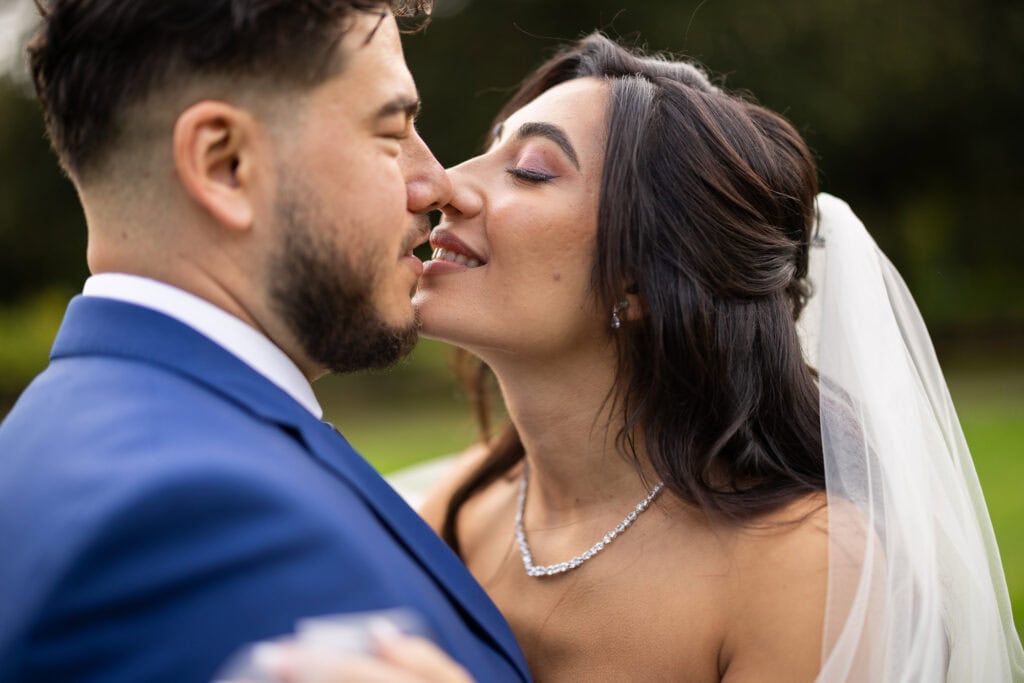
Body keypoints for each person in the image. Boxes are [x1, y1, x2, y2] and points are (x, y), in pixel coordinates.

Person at [407, 33, 1023, 681]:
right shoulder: (466, 501)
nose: (446, 183)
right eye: (487, 148)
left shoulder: (803, 562)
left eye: (531, 168)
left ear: (641, 279)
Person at [0, 2, 530, 681]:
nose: (434, 182)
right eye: (390, 130)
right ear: (226, 164)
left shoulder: (63, 435)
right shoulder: (194, 522)